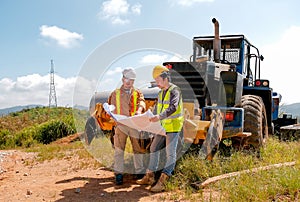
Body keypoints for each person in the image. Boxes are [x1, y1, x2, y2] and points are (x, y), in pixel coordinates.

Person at [136, 65, 184, 192]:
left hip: (173, 126)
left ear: (165, 78)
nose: (156, 83)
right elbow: (158, 108)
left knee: (170, 154)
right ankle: (150, 177)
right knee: (153, 148)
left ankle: (163, 181)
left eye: (158, 80)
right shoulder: (161, 92)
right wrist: (147, 116)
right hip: (162, 127)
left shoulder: (175, 90)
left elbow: (173, 107)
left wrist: (159, 116)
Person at [108, 68, 146, 185]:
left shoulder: (137, 92)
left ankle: (139, 172)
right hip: (121, 125)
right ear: (123, 79)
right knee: (119, 150)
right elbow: (110, 107)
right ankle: (119, 174)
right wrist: (111, 113)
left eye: (132, 80)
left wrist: (139, 110)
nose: (129, 82)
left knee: (137, 149)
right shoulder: (115, 94)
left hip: (134, 124)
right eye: (127, 79)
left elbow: (142, 101)